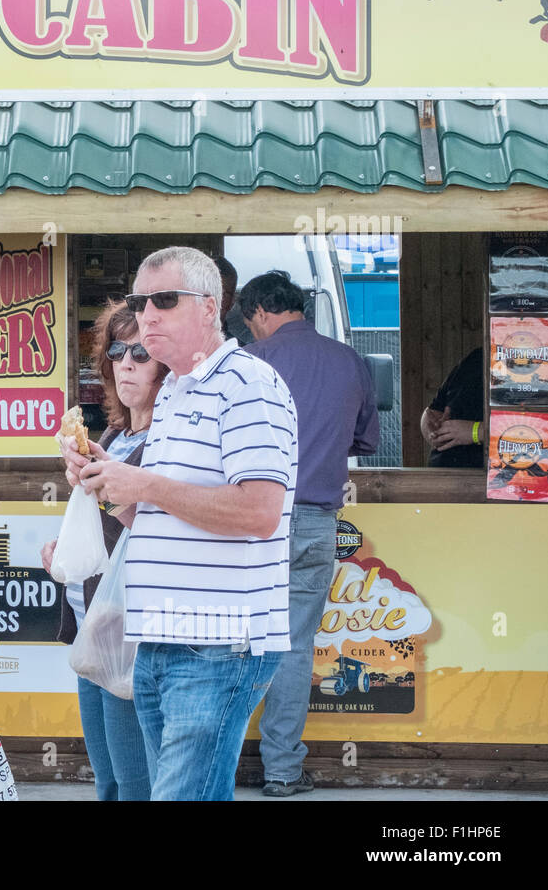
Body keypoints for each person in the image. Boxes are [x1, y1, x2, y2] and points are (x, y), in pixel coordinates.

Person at [75, 246, 297, 801]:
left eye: (164, 300)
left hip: (218, 643)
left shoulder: (247, 384)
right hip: (159, 639)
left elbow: (260, 511)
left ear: (209, 307)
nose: (147, 314)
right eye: (138, 301)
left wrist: (145, 484)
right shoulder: (174, 390)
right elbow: (156, 517)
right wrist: (104, 487)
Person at [239, 270, 379, 797]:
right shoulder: (350, 361)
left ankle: (215, 761)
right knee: (295, 647)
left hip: (253, 519)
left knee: (232, 642)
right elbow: (365, 440)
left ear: (259, 313)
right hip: (317, 522)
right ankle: (281, 772)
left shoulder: (253, 362)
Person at [44, 301, 167, 801]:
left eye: (141, 350)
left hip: (131, 629)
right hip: (95, 623)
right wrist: (68, 553)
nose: (127, 362)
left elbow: (162, 525)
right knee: (108, 779)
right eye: (117, 350)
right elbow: (101, 529)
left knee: (136, 781)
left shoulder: (171, 436)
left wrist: (105, 494)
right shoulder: (115, 435)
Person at [420, 347, 485, 468]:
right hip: (443, 475)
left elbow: (528, 428)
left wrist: (477, 431)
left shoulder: (526, 365)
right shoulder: (476, 357)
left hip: (487, 480)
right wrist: (432, 430)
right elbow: (433, 410)